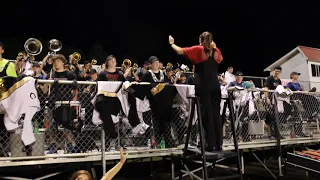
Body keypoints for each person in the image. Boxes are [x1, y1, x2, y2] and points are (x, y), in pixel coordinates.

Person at [169, 31, 223, 151]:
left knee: (206, 114)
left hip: (204, 86)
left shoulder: (199, 49)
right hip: (215, 86)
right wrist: (215, 46)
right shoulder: (216, 51)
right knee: (216, 114)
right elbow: (221, 59)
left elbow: (179, 51)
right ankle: (218, 143)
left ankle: (210, 144)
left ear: (201, 39)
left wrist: (172, 43)